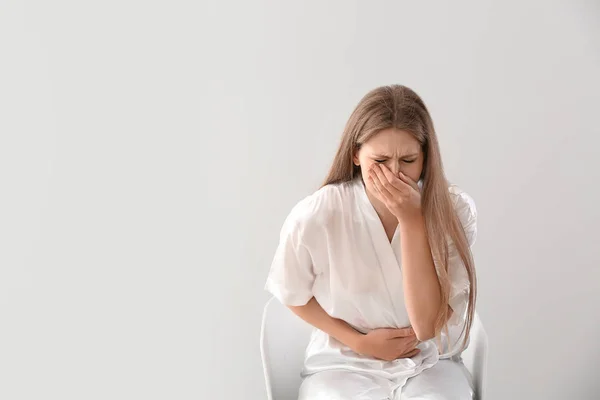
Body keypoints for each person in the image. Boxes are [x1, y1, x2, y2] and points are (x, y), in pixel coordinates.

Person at [264, 84, 478, 400]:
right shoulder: (318, 213)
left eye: (408, 160)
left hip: (431, 360)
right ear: (355, 155)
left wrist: (412, 221)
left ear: (426, 157)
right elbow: (291, 292)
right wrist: (359, 342)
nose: (395, 175)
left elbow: (426, 327)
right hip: (343, 362)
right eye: (380, 161)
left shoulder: (454, 210)